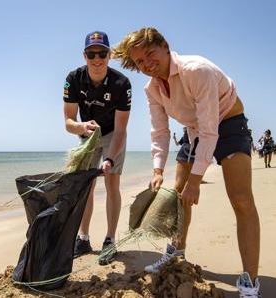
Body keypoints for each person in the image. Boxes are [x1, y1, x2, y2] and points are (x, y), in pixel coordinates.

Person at [113, 27, 261, 297]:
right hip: (194, 130)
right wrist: (157, 169)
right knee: (180, 195)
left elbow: (210, 130)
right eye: (140, 62)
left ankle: (250, 282)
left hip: (228, 123)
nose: (147, 64)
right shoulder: (151, 89)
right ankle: (177, 251)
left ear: (165, 46)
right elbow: (159, 131)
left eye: (150, 54)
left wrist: (197, 180)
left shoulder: (196, 70)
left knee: (241, 199)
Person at [63, 31, 132, 265]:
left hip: (113, 134)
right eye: (92, 53)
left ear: (109, 54)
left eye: (102, 53)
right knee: (86, 187)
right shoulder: (73, 78)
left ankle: (110, 240)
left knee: (111, 182)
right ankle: (83, 238)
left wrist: (110, 159)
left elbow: (121, 130)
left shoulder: (122, 83)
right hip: (88, 136)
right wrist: (81, 126)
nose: (97, 58)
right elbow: (68, 123)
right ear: (84, 55)